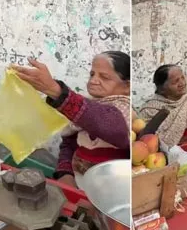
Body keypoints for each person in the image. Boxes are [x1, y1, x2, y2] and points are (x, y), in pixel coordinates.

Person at [13, 51, 130, 187]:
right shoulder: (87, 106)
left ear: (126, 87)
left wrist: (55, 91)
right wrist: (65, 173)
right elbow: (69, 144)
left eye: (104, 77)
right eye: (92, 74)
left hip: (112, 190)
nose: (93, 81)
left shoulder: (125, 111)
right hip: (78, 183)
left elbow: (110, 126)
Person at [139, 64, 187, 148]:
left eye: (182, 78)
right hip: (170, 156)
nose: (182, 83)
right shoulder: (149, 110)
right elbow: (146, 142)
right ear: (161, 89)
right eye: (175, 82)